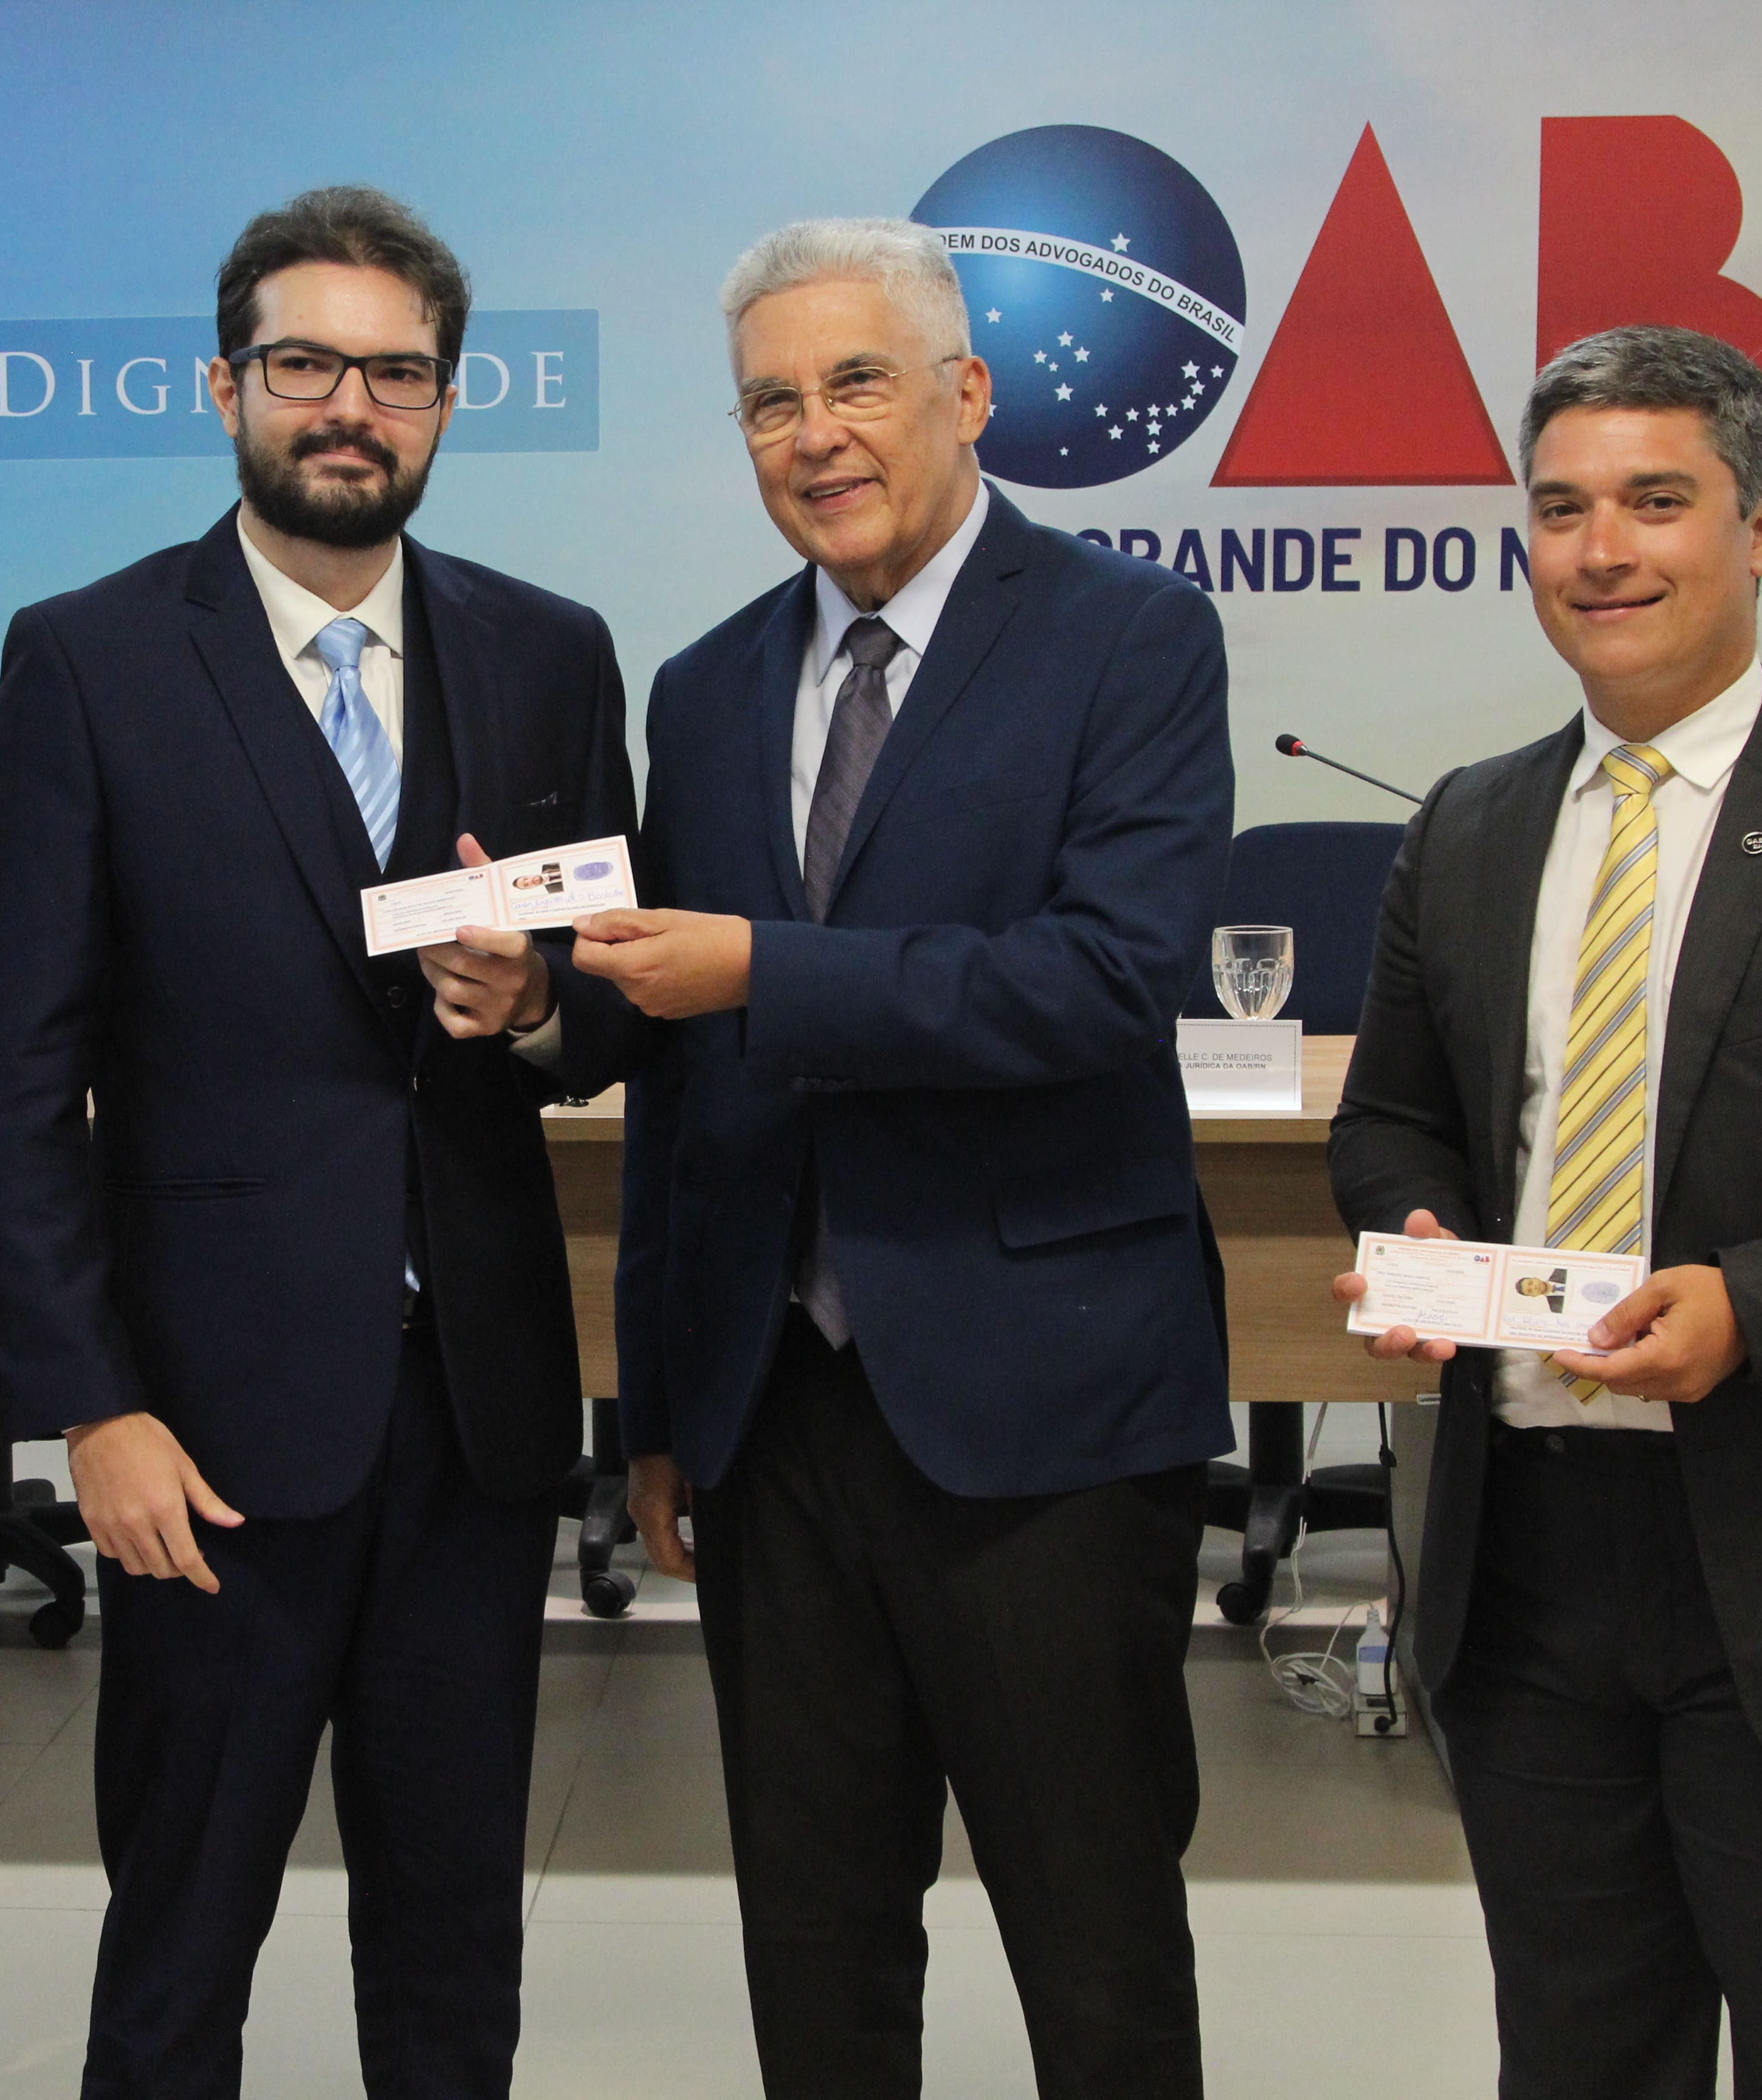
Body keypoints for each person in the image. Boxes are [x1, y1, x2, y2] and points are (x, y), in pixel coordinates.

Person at [0, 185, 648, 2098]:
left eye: (397, 373)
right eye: (307, 366)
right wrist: (89, 1406)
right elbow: (16, 1069)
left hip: (478, 1412)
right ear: (229, 387)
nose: (352, 406)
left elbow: (613, 996)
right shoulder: (91, 658)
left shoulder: (551, 652)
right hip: (206, 1421)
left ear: (448, 398)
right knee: (184, 1936)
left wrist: (539, 1008)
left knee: (454, 1934)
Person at [1329, 325, 1762, 2099]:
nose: (1601, 551)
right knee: (1579, 2056)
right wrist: (1420, 1235)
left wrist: (1755, 1306)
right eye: (1561, 508)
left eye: (1657, 501)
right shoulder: (1469, 825)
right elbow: (1394, 1116)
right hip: (1530, 1565)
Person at [574, 218, 1233, 2099]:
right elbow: (680, 1080)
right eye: (770, 401)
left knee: (1097, 1958)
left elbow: (1106, 979)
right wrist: (657, 1407)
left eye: (856, 382)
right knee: (818, 1954)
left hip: (1045, 1417)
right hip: (770, 1416)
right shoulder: (705, 687)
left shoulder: (1130, 637)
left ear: (969, 393)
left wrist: (763, 972)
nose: (815, 434)